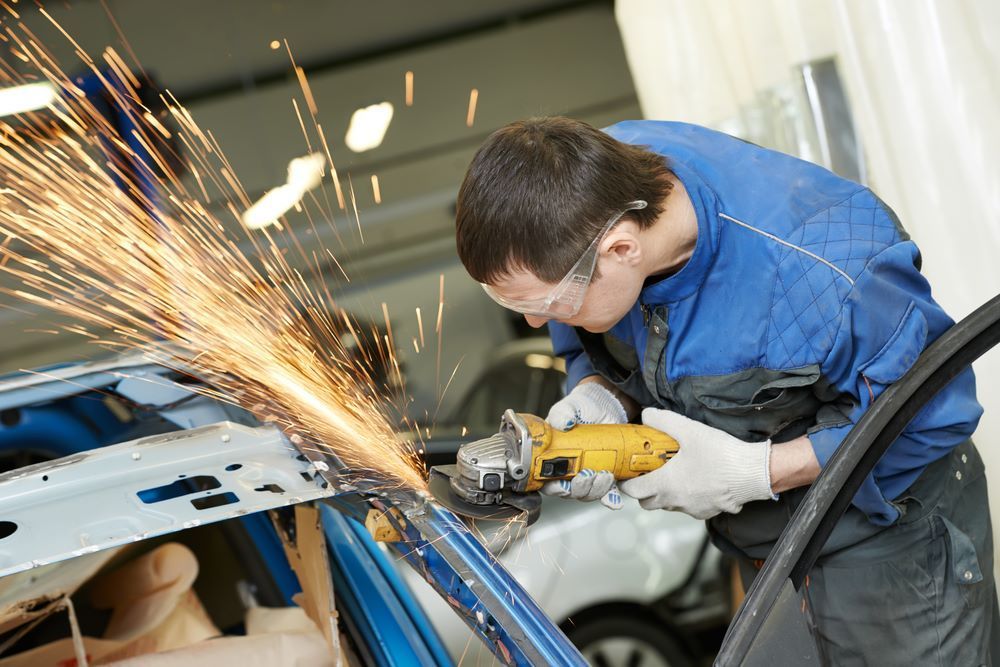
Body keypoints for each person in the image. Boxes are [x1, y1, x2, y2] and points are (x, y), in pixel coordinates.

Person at [454, 116, 994, 664]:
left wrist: (757, 472)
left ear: (620, 250)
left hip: (892, 553)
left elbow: (935, 414)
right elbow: (585, 336)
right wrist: (599, 395)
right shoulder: (579, 193)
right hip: (766, 556)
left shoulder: (828, 270)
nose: (535, 324)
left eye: (546, 306)